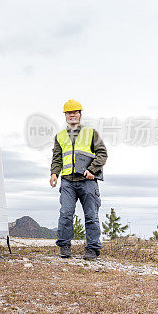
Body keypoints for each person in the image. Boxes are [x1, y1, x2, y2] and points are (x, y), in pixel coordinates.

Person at [50, 100, 108, 260]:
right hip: (68, 181)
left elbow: (102, 154)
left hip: (87, 181)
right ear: (65, 116)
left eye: (75, 112)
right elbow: (57, 158)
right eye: (69, 113)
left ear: (80, 114)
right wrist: (54, 173)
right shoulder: (60, 136)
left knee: (91, 215)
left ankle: (93, 249)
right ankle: (64, 246)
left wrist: (92, 170)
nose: (72, 115)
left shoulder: (91, 133)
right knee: (65, 213)